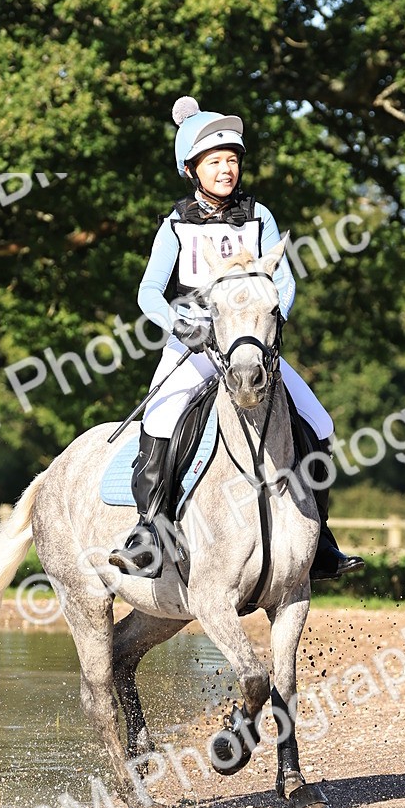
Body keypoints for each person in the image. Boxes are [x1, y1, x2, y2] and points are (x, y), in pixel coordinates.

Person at [109, 96, 364, 583]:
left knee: (319, 420)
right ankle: (151, 531)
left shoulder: (259, 215)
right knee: (162, 418)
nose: (226, 170)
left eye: (232, 160)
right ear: (192, 169)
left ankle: (320, 538)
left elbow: (283, 283)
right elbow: (146, 292)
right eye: (215, 162)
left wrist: (266, 327)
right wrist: (183, 326)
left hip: (251, 348)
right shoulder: (176, 222)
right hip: (193, 347)